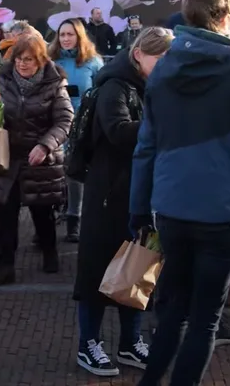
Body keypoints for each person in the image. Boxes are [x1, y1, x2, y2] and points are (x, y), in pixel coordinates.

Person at [131, 0, 230, 386]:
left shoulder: (163, 69)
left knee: (172, 310)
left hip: (173, 208)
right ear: (226, 18)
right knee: (204, 321)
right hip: (225, 212)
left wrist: (139, 207)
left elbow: (147, 146)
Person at [73, 27, 174, 378]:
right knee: (98, 270)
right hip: (109, 192)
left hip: (137, 190)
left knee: (137, 264)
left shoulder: (152, 87)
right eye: (159, 59)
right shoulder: (116, 86)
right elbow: (117, 130)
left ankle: (130, 341)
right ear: (138, 55)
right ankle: (89, 343)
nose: (164, 67)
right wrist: (162, 126)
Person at [0, 34, 74, 286]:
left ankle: (49, 251)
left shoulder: (55, 84)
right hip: (8, 156)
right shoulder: (2, 82)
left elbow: (65, 120)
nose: (22, 64)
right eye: (18, 60)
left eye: (29, 60)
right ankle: (5, 266)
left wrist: (45, 145)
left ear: (40, 61)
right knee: (6, 211)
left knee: (42, 210)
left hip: (40, 157)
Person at [48, 18, 103, 243]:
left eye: (70, 34)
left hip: (82, 124)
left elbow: (101, 93)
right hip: (54, 123)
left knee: (75, 173)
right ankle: (47, 220)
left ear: (79, 36)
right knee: (52, 172)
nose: (66, 39)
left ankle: (74, 219)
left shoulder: (93, 62)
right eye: (62, 35)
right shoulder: (50, 61)